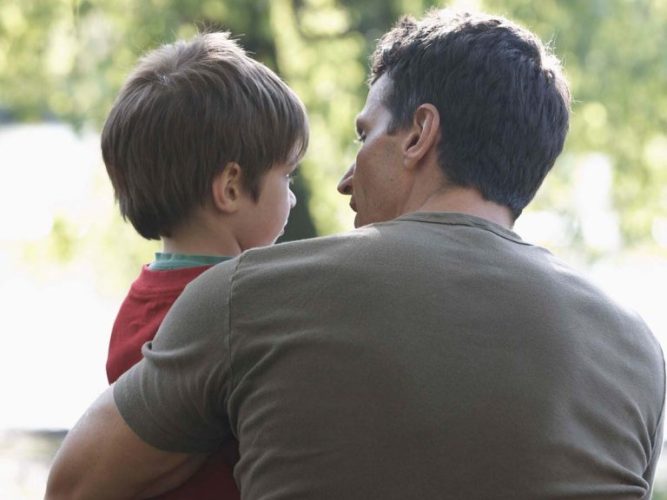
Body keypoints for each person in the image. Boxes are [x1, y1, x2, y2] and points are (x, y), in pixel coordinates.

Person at [46, 9, 664, 500]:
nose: (343, 180)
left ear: (419, 134)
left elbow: (73, 487)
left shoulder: (251, 297)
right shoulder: (637, 351)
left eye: (365, 135)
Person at [98, 31, 308, 500]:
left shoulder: (137, 305)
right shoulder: (245, 309)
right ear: (231, 187)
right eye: (285, 174)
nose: (291, 195)